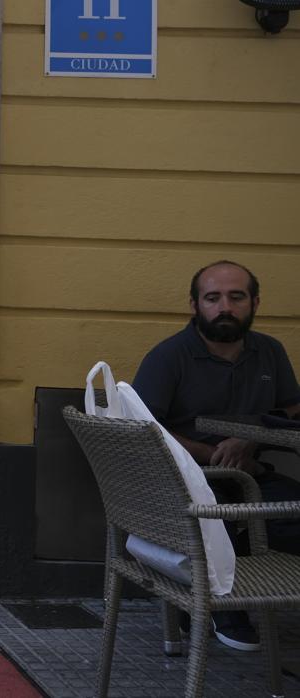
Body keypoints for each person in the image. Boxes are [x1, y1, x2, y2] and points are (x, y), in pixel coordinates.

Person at [133, 259, 300, 652]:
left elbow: (293, 410)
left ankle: (220, 593)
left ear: (255, 303)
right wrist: (211, 453)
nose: (225, 307)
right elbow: (143, 427)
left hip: (252, 475)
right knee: (217, 521)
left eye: (236, 297)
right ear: (195, 305)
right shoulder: (170, 356)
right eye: (213, 298)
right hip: (189, 481)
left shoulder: (269, 352)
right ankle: (223, 605)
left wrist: (252, 436)